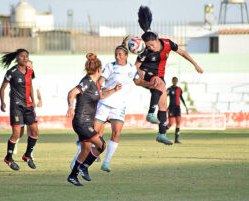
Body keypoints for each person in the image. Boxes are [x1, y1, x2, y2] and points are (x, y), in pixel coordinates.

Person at [134, 6, 203, 145]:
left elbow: (182, 52)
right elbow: (136, 67)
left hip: (158, 78)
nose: (151, 48)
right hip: (143, 76)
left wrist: (195, 64)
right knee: (159, 83)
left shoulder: (167, 44)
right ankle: (150, 113)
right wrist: (140, 72)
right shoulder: (145, 51)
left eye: (152, 45)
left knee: (164, 104)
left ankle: (161, 134)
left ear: (157, 39)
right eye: (148, 46)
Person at [66, 53, 122, 186]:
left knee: (86, 150)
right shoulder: (87, 81)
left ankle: (73, 176)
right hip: (81, 121)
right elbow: (72, 92)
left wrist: (114, 90)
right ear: (99, 70)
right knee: (101, 145)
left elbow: (100, 96)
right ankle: (84, 167)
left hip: (86, 122)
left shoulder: (96, 84)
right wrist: (70, 107)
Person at [94, 36, 139, 172]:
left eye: (120, 54)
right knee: (94, 132)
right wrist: (100, 88)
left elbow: (138, 81)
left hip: (120, 105)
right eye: (116, 54)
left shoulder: (132, 69)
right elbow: (99, 81)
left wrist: (151, 83)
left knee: (116, 133)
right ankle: (84, 155)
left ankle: (106, 163)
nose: (118, 57)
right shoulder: (110, 66)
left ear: (126, 55)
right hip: (105, 102)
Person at [0, 49, 39, 171]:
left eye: (27, 56)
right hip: (16, 106)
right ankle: (9, 158)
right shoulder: (11, 72)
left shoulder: (30, 71)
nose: (25, 58)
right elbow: (2, 88)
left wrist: (33, 100)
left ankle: (27, 155)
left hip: (28, 105)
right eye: (22, 56)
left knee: (35, 131)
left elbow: (30, 85)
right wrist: (3, 102)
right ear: (17, 58)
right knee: (16, 134)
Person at [13, 60, 42, 157]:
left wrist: (39, 99)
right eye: (28, 66)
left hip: (30, 108)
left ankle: (30, 153)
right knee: (19, 132)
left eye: (31, 66)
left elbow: (37, 91)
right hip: (20, 108)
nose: (30, 68)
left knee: (32, 130)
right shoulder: (18, 78)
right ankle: (15, 142)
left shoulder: (35, 80)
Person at [167, 77, 188, 143]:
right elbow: (164, 97)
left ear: (177, 81)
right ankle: (162, 132)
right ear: (172, 81)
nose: (175, 82)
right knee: (170, 124)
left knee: (178, 123)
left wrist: (186, 107)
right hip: (171, 108)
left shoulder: (179, 89)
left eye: (176, 80)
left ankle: (176, 139)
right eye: (174, 80)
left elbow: (181, 98)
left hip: (178, 108)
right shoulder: (169, 89)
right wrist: (165, 106)